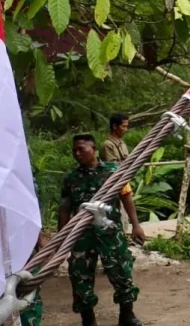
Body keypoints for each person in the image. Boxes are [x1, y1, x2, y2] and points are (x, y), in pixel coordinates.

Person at [58, 134, 145, 326]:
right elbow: (64, 208)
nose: (77, 153)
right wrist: (61, 238)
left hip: (110, 232)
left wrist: (136, 225)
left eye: (81, 149)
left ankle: (127, 316)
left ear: (94, 149)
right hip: (82, 235)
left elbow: (126, 198)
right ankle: (88, 321)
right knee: (80, 277)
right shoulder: (71, 179)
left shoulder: (114, 172)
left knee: (122, 272)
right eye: (74, 150)